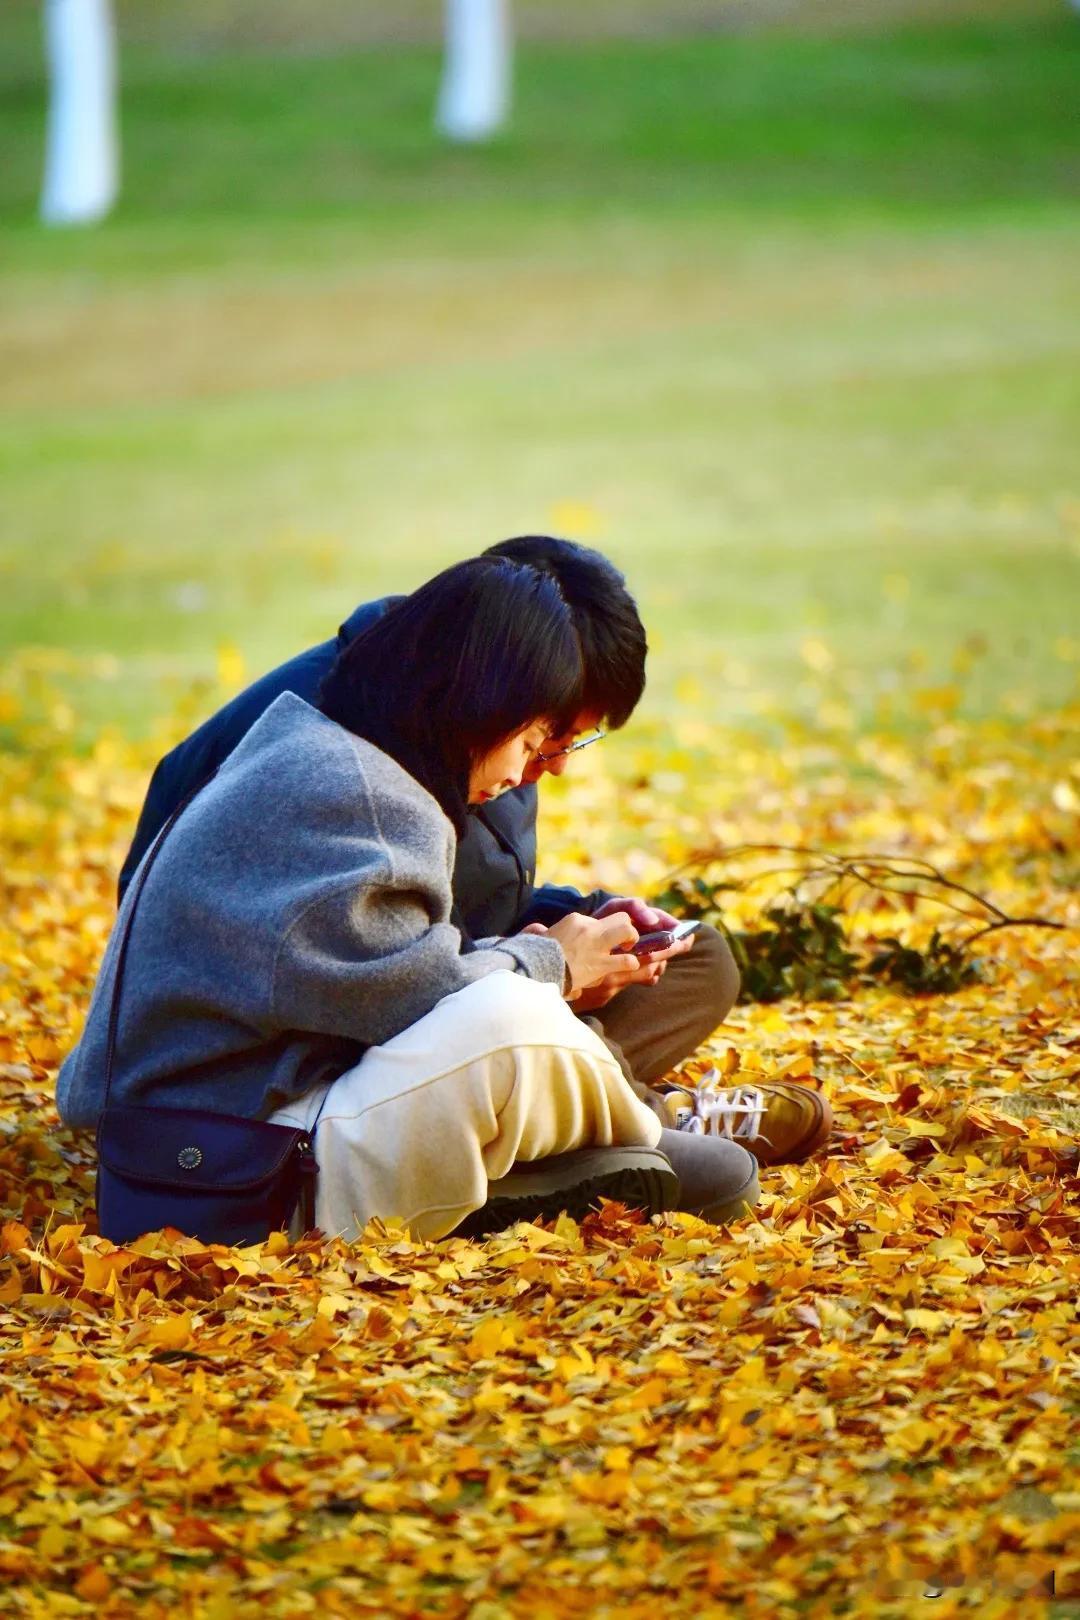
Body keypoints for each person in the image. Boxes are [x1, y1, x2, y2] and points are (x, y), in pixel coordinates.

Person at [57, 558, 761, 1239]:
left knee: (523, 1006)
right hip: (233, 1169)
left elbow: (398, 971)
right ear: (481, 703)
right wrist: (555, 963)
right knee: (510, 1016)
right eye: (537, 738)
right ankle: (643, 1137)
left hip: (234, 1125)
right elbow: (419, 1003)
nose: (530, 770)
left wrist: (556, 946)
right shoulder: (358, 794)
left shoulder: (334, 751)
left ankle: (570, 1159)